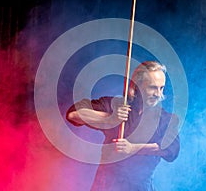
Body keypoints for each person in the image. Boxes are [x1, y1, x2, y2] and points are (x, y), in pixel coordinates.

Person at [66, 61, 180, 191]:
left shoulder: (165, 119)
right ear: (137, 86)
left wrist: (132, 148)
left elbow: (171, 150)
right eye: (153, 87)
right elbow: (73, 115)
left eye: (161, 88)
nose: (158, 94)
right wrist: (110, 118)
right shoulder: (117, 105)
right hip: (105, 186)